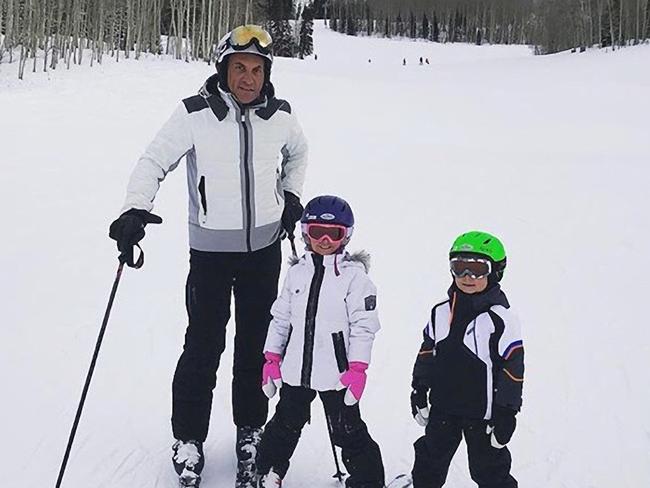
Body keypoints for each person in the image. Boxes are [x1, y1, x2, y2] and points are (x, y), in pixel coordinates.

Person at [108, 24, 308, 488]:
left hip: (264, 252)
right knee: (203, 346)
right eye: (240, 68)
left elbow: (298, 154)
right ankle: (189, 439)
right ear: (224, 68)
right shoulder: (194, 114)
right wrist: (135, 209)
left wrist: (291, 196)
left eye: (257, 70)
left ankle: (250, 433)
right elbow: (153, 161)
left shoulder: (280, 116)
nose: (249, 78)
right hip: (211, 256)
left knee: (257, 347)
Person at [254, 196, 385, 488]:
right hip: (296, 369)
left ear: (346, 235)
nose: (325, 240)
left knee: (347, 430)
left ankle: (368, 481)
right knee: (284, 424)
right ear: (304, 233)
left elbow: (365, 326)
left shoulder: (355, 279)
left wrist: (358, 368)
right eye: (316, 232)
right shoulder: (296, 273)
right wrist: (272, 358)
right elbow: (281, 318)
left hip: (338, 374)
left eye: (334, 233)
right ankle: (268, 472)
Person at [409, 231, 524, 488]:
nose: (467, 277)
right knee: (429, 461)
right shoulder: (440, 311)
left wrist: (507, 412)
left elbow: (513, 368)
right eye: (459, 267)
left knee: (489, 471)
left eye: (477, 269)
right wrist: (419, 388)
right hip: (444, 407)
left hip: (483, 415)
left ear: (495, 271)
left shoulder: (500, 318)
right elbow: (427, 352)